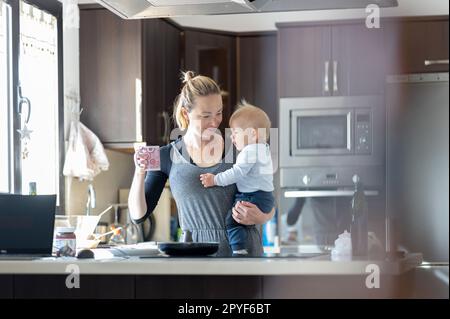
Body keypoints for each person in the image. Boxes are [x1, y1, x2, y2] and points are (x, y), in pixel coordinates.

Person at [128, 71, 275, 256]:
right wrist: (139, 172)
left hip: (244, 258)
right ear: (185, 113)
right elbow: (138, 215)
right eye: (205, 116)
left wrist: (262, 216)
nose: (215, 122)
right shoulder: (167, 156)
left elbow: (267, 194)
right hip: (196, 259)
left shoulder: (239, 146)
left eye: (219, 112)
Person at [199, 102, 274, 256]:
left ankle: (239, 250)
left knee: (232, 221)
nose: (232, 137)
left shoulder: (249, 151)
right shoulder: (264, 149)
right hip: (265, 197)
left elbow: (236, 172)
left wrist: (215, 179)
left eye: (235, 133)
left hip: (252, 197)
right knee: (242, 224)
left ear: (253, 134)